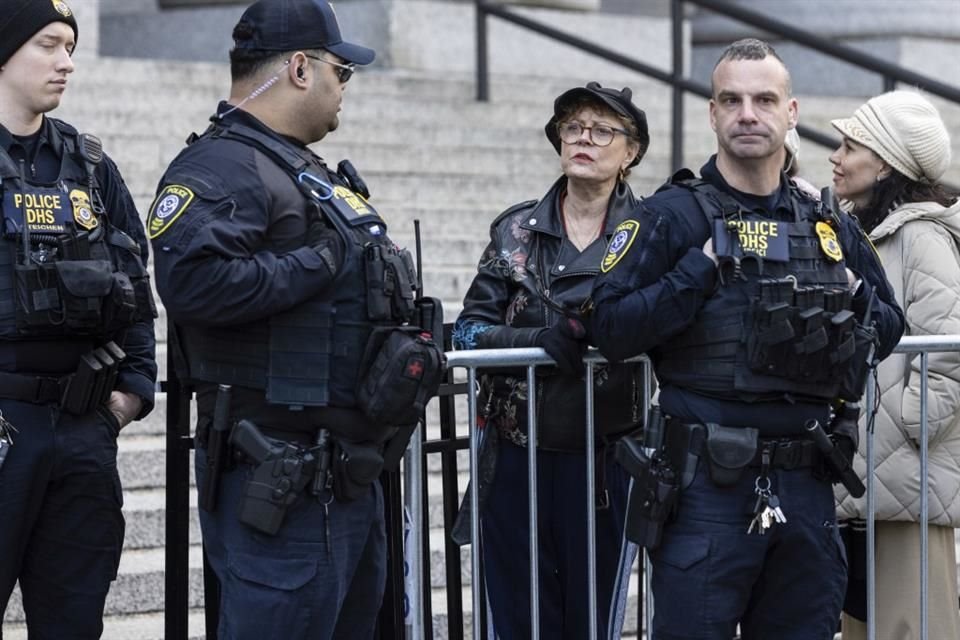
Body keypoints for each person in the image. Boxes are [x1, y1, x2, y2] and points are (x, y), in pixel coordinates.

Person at [588, 39, 904, 639]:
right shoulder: (673, 215)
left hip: (808, 488)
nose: (747, 113)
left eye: (764, 99)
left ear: (790, 112)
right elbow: (609, 325)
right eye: (731, 100)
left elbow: (889, 329)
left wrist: (856, 290)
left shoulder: (825, 219)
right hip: (706, 489)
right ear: (712, 114)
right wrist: (696, 273)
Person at [148, 1, 442, 638]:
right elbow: (192, 285)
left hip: (343, 480)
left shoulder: (297, 167)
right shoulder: (222, 166)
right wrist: (322, 259)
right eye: (342, 70)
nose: (345, 87)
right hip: (283, 487)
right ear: (302, 69)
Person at [453, 82, 650, 639]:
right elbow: (467, 332)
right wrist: (536, 339)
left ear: (630, 152)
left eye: (602, 129)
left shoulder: (652, 233)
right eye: (573, 127)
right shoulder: (514, 230)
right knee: (518, 618)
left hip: (608, 456)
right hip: (518, 454)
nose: (584, 137)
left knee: (592, 619)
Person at [0, 0, 158, 637]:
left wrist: (128, 400)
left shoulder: (89, 166)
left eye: (70, 46)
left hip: (82, 429)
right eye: (47, 44)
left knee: (74, 622)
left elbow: (137, 291)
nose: (66, 62)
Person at [830, 90, 960, 640]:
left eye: (850, 145)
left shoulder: (920, 236)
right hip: (863, 478)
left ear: (884, 162)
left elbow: (949, 353)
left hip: (908, 481)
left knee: (914, 626)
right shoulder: (859, 234)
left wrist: (904, 427)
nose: (836, 156)